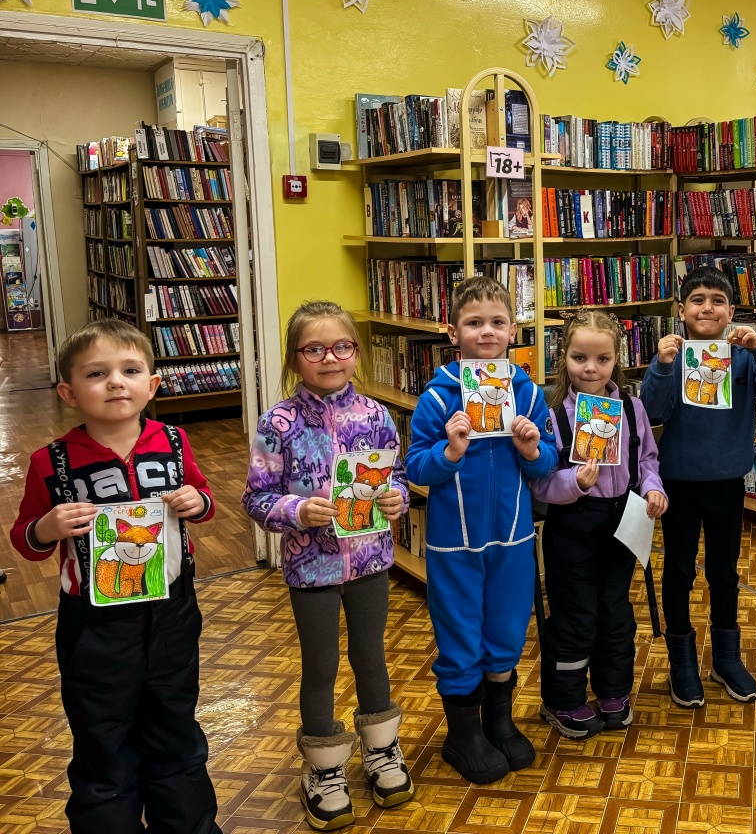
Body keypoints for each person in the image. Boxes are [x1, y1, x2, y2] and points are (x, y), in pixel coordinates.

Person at [10, 319, 221, 834]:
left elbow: (203, 499)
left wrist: (197, 502)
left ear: (152, 385)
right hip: (94, 628)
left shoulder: (174, 442)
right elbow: (25, 538)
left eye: (130, 371)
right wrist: (47, 526)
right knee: (103, 741)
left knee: (175, 731)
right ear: (68, 392)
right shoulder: (50, 462)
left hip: (173, 614)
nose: (115, 383)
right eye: (96, 374)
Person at [243, 301, 413, 830]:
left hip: (370, 563)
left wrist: (398, 500)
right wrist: (296, 509)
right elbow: (256, 498)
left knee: (371, 656)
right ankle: (323, 768)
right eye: (314, 349)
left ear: (355, 352)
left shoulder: (376, 416)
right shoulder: (278, 423)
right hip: (310, 568)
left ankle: (381, 751)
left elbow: (396, 477)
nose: (330, 358)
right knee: (320, 666)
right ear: (295, 359)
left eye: (341, 346)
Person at [405, 275, 557, 783]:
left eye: (497, 322)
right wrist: (449, 451)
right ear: (453, 333)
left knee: (508, 629)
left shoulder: (527, 392)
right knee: (460, 634)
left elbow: (548, 463)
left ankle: (499, 721)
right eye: (474, 323)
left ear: (514, 330)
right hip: (454, 545)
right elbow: (416, 467)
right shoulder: (437, 398)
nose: (486, 332)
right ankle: (463, 733)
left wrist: (532, 449)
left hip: (513, 539)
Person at [641, 265, 756, 707]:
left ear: (731, 312)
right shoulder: (671, 358)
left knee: (724, 573)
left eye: (718, 301)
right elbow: (650, 412)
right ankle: (682, 663)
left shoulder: (745, 357)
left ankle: (726, 659)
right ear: (681, 311)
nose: (707, 308)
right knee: (678, 573)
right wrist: (662, 365)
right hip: (678, 483)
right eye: (697, 300)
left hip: (728, 483)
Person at [531, 310, 667, 738]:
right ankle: (563, 699)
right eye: (579, 358)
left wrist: (653, 489)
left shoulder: (632, 407)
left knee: (615, 612)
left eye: (602, 359)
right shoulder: (553, 414)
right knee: (575, 616)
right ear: (564, 358)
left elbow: (647, 459)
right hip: (572, 527)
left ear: (615, 360)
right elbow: (540, 483)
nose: (590, 368)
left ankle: (614, 691)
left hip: (622, 523)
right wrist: (575, 483)